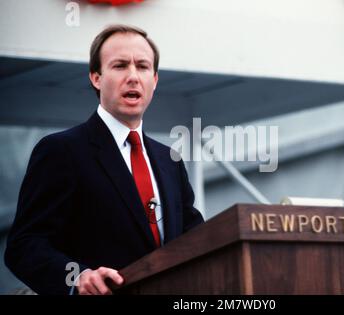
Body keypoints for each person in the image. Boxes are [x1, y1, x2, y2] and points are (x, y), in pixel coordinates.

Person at [4, 24, 204, 295]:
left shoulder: (170, 161)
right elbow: (24, 246)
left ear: (154, 81)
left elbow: (197, 240)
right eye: (120, 65)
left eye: (143, 66)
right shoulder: (61, 151)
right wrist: (77, 277)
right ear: (96, 78)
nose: (133, 76)